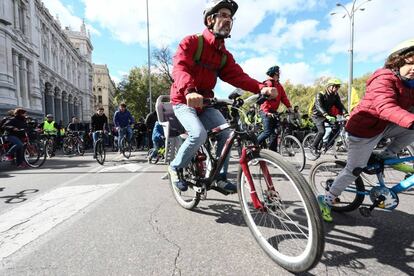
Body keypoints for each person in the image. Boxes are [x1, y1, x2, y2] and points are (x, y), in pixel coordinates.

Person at [168, 0, 277, 193]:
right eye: (223, 15)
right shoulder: (192, 42)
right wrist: (189, 90)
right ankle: (175, 167)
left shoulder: (224, 55)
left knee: (226, 134)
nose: (228, 20)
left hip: (207, 103)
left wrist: (261, 87)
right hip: (183, 100)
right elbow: (180, 67)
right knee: (199, 134)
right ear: (210, 19)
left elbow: (239, 77)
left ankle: (219, 177)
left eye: (230, 17)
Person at [317, 39, 414, 222]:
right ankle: (326, 200)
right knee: (354, 169)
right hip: (363, 131)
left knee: (410, 129)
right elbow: (385, 107)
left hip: (384, 126)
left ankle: (386, 155)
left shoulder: (410, 84)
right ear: (399, 60)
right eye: (411, 62)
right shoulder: (383, 78)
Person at [257, 65, 292, 151]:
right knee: (267, 132)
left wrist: (289, 107)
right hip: (265, 111)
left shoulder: (279, 85)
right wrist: (266, 112)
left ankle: (273, 153)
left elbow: (283, 97)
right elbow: (264, 99)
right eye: (278, 73)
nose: (279, 74)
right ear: (275, 74)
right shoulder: (268, 83)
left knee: (275, 133)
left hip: (273, 111)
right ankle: (252, 146)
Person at [310, 78, 348, 156]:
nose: (337, 88)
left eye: (338, 87)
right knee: (322, 131)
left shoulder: (335, 95)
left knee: (337, 128)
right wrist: (326, 115)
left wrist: (346, 114)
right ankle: (313, 147)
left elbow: (340, 106)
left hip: (327, 115)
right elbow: (319, 106)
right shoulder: (320, 94)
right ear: (329, 86)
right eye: (335, 86)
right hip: (317, 115)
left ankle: (326, 144)